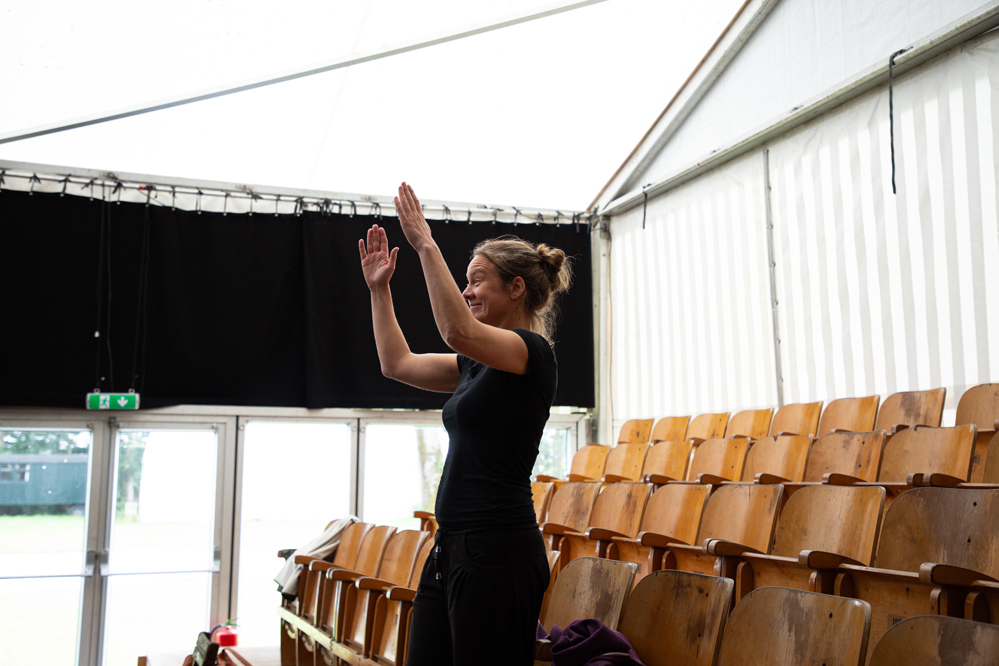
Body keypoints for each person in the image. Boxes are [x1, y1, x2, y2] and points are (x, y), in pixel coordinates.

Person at [358, 183, 573, 665]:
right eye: (466, 281)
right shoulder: (474, 363)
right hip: (451, 547)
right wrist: (379, 290)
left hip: (499, 550)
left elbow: (456, 329)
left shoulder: (532, 353)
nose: (466, 290)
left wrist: (424, 244)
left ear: (516, 288)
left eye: (477, 280)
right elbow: (397, 363)